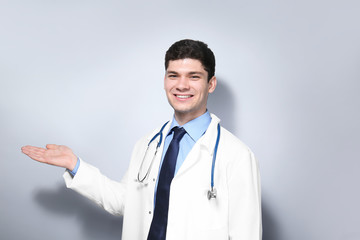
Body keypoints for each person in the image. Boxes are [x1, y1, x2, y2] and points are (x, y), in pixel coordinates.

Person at [21, 39, 262, 240]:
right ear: (165, 80)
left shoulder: (237, 156)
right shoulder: (147, 145)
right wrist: (75, 165)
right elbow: (124, 202)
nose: (181, 85)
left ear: (211, 84)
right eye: (173, 75)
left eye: (194, 76)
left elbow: (246, 233)